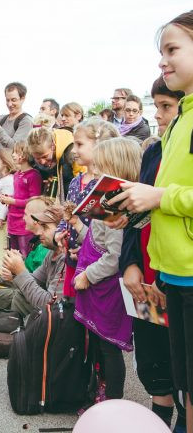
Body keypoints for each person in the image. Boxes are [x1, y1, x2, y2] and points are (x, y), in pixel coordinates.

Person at [109, 12, 193, 432]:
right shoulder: (165, 141)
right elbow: (146, 211)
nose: (158, 115)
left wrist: (159, 197)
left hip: (183, 273)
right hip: (164, 275)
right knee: (166, 368)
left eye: (173, 49)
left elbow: (166, 198)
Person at [119, 76, 185, 431]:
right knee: (151, 355)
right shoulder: (154, 152)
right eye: (156, 106)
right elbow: (137, 217)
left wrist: (160, 276)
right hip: (144, 276)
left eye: (166, 107)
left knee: (181, 362)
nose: (158, 115)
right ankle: (159, 412)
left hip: (172, 275)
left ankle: (181, 414)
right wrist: (129, 265)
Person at [67, 137, 142, 401]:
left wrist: (88, 275)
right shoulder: (107, 201)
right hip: (96, 284)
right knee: (98, 343)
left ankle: (114, 402)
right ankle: (101, 393)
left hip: (106, 288)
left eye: (100, 168)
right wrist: (77, 226)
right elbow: (96, 238)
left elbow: (114, 256)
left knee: (109, 347)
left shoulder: (118, 209)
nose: (94, 173)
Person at [55, 118, 119, 298]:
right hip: (72, 260)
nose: (74, 150)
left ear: (99, 145)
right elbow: (68, 215)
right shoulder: (76, 181)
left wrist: (85, 250)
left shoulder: (105, 185)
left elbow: (106, 234)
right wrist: (59, 232)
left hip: (95, 266)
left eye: (79, 144)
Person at [0, 200, 65, 317]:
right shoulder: (52, 252)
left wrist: (20, 271)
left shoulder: (65, 259)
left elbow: (50, 304)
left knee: (12, 297)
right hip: (36, 303)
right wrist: (15, 272)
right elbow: (35, 279)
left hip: (52, 320)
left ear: (62, 231)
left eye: (45, 227)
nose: (40, 231)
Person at [0, 141, 42, 258]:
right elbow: (19, 196)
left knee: (25, 255)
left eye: (17, 152)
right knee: (13, 255)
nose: (13, 155)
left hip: (24, 224)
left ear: (26, 154)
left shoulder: (33, 175)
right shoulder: (17, 175)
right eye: (13, 152)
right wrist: (8, 199)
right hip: (12, 222)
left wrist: (13, 201)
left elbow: (34, 201)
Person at [27, 124, 81, 202]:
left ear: (53, 146)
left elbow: (81, 183)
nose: (42, 162)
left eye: (45, 156)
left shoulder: (71, 153)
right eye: (37, 158)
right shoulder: (31, 158)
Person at [0, 148, 16, 270]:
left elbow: (5, 202)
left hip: (2, 222)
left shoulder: (8, 181)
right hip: (0, 220)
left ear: (5, 162)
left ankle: (1, 275)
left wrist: (0, 218)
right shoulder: (5, 180)